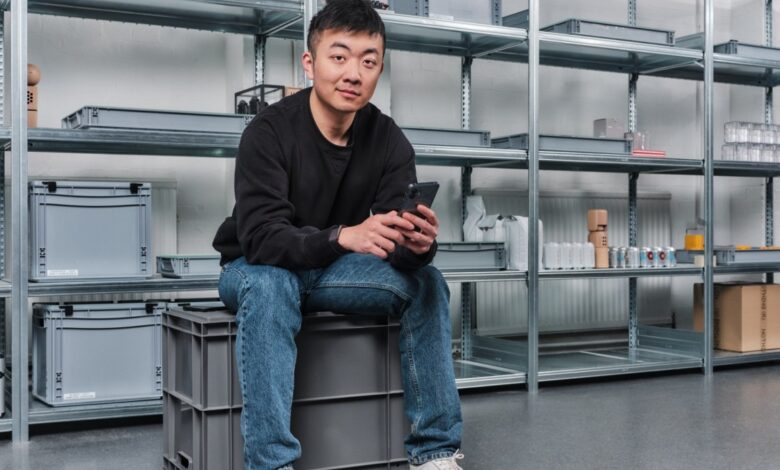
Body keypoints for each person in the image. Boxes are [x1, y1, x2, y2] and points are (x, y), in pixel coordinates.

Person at [212, 1, 463, 468]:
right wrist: (342, 237)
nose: (353, 73)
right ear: (310, 63)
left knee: (428, 284)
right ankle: (270, 463)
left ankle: (435, 452)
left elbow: (388, 243)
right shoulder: (268, 132)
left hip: (330, 270)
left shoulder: (387, 139)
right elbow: (262, 238)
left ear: (379, 70)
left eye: (368, 62)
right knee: (272, 284)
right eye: (339, 56)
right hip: (253, 266)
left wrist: (418, 247)